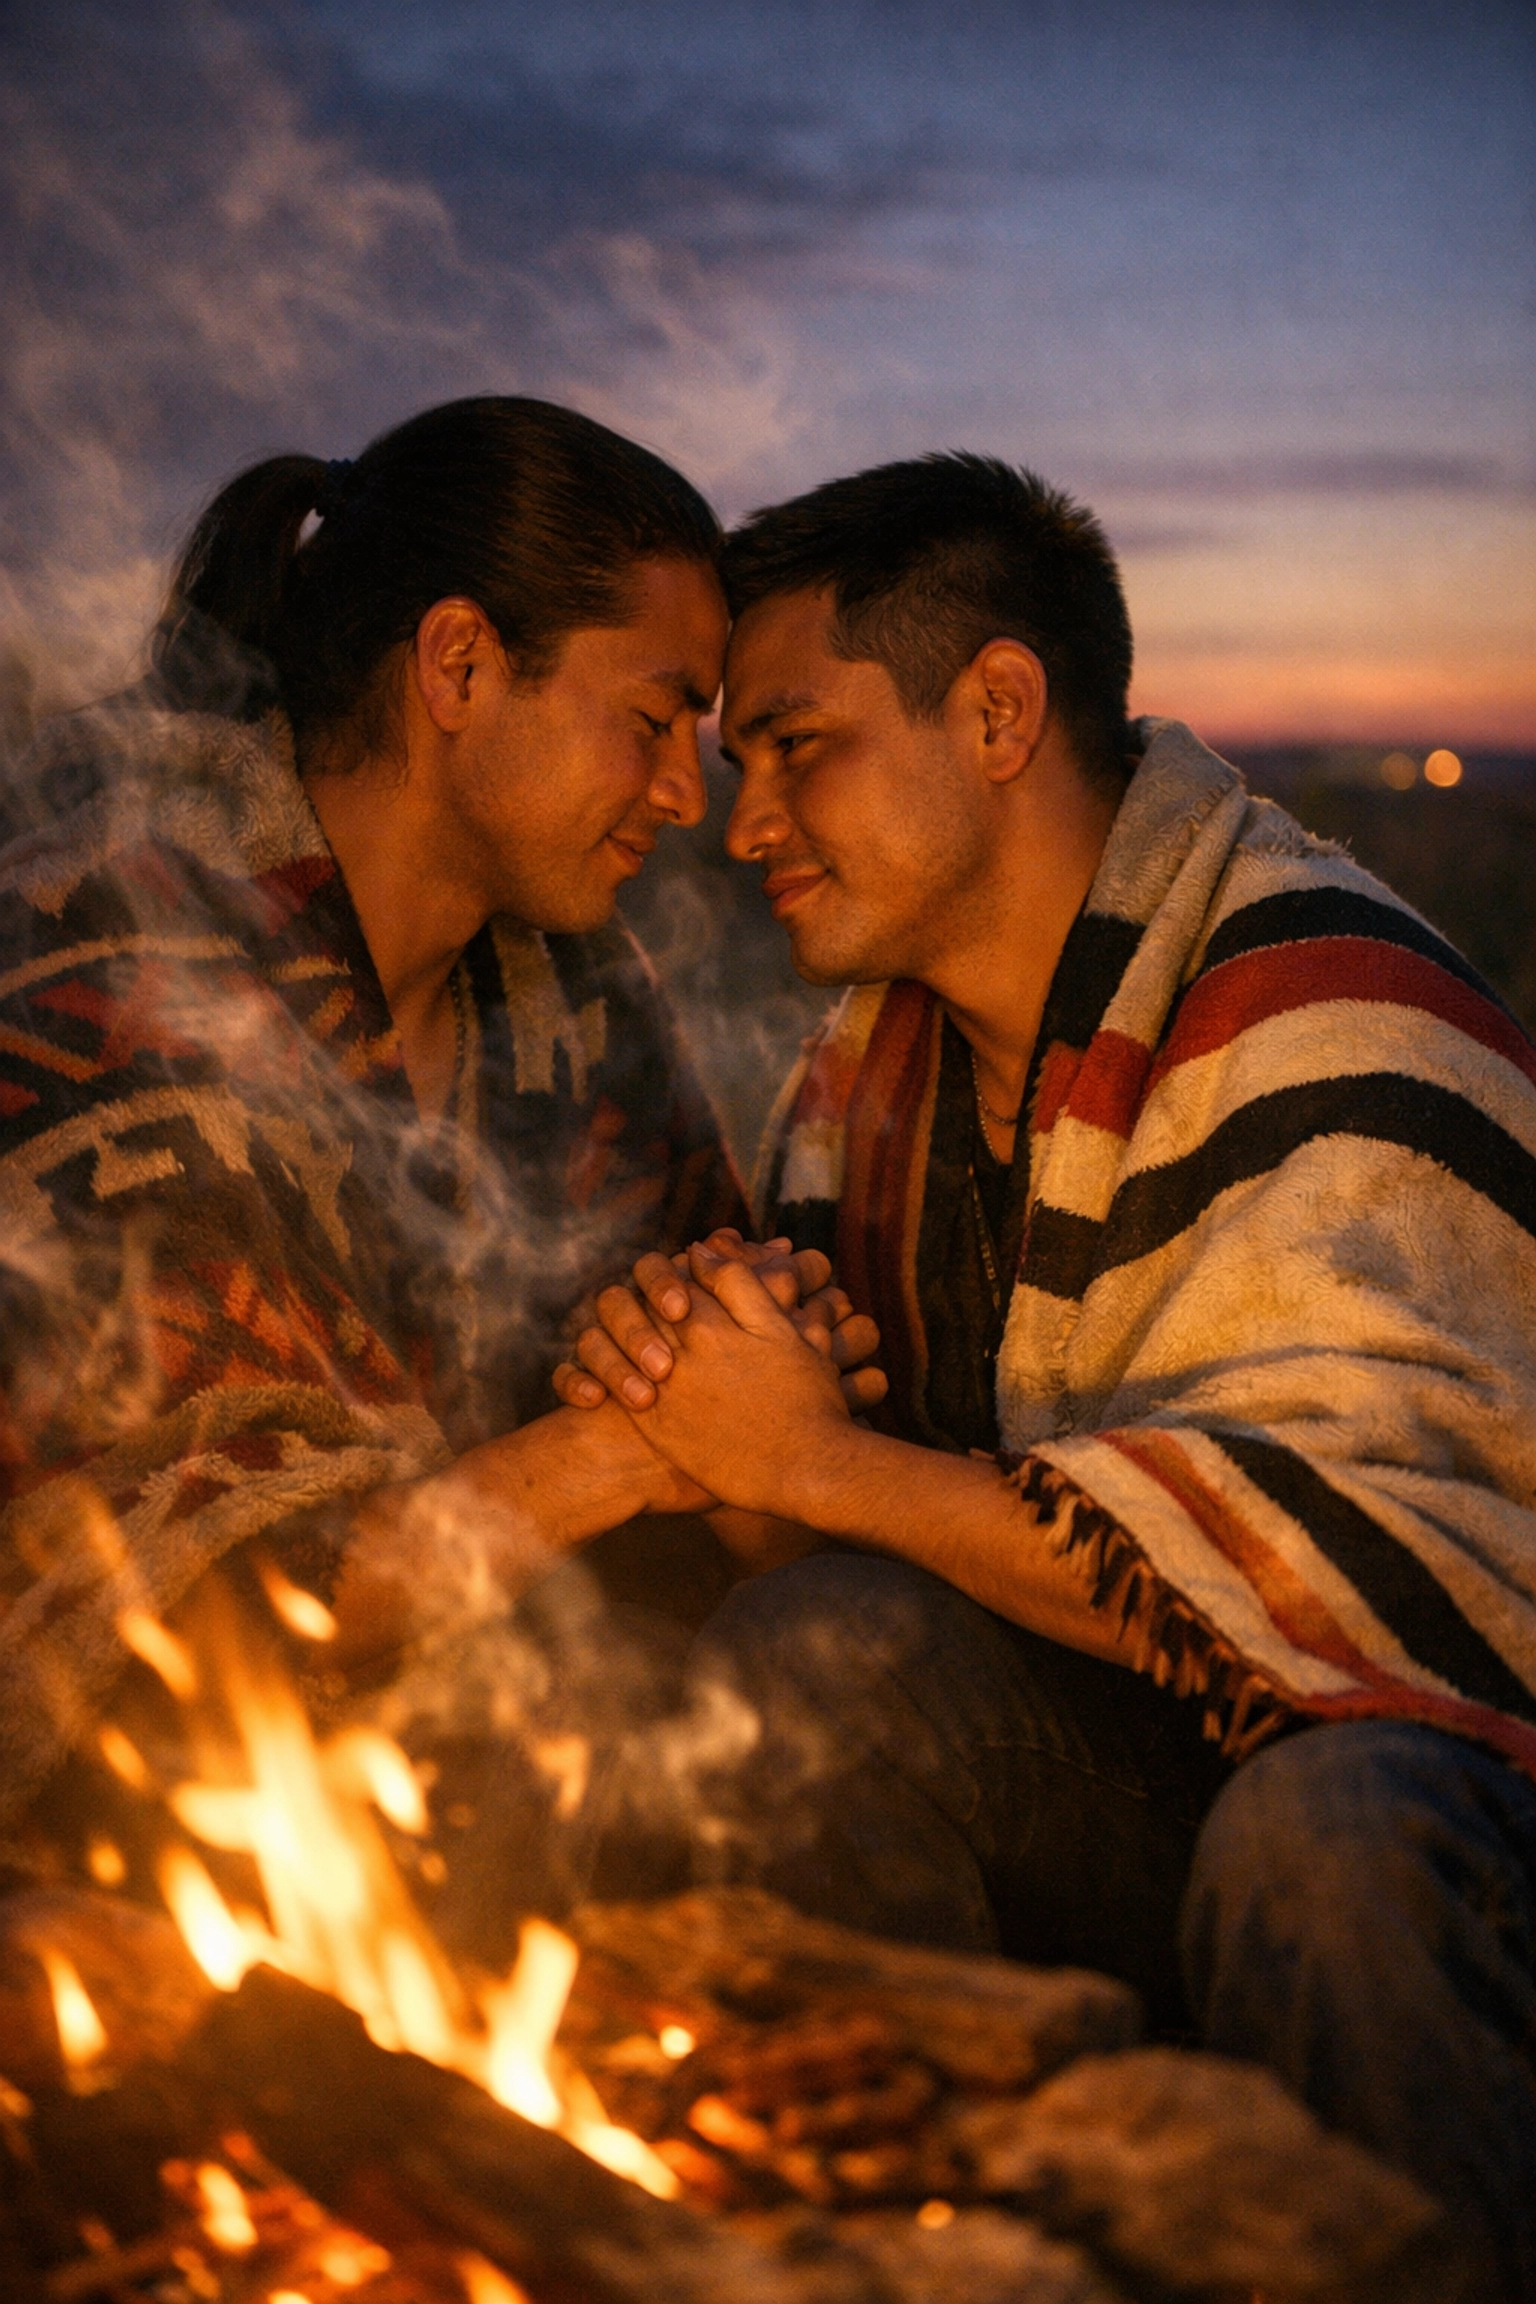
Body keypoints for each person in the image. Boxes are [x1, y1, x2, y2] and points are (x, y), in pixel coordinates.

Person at [567, 453, 1536, 2298]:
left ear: (998, 711)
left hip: (1442, 1810)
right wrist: (726, 1432)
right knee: (805, 1666)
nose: (738, 819)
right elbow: (885, 1543)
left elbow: (1391, 1596)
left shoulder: (1326, 1011)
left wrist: (818, 1464)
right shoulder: (871, 1089)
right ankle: (940, 2253)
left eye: (792, 745)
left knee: (1324, 1839)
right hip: (1159, 1776)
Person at [0, 395, 877, 1862]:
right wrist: (643, 1441)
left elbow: (745, 1378)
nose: (687, 795)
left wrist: (759, 1388)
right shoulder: (108, 950)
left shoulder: (575, 993)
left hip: (483, 1756)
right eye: (655, 721)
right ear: (460, 663)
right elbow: (205, 1608)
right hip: (150, 1826)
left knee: (854, 1698)